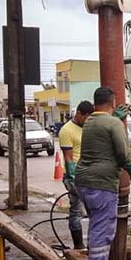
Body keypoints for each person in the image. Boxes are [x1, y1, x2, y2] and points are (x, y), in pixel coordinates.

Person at [74, 87, 131, 260]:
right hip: (102, 184)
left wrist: (115, 118)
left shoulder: (89, 121)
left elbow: (103, 131)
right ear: (113, 103)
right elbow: (125, 156)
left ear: (94, 103)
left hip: (83, 182)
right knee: (102, 230)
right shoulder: (113, 124)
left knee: (96, 226)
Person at [58, 101, 94, 249]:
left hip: (89, 175)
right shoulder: (66, 131)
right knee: (76, 210)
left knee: (93, 211)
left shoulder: (89, 128)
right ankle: (78, 246)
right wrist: (73, 179)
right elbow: (68, 158)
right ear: (78, 113)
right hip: (74, 176)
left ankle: (93, 245)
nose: (87, 121)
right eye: (85, 118)